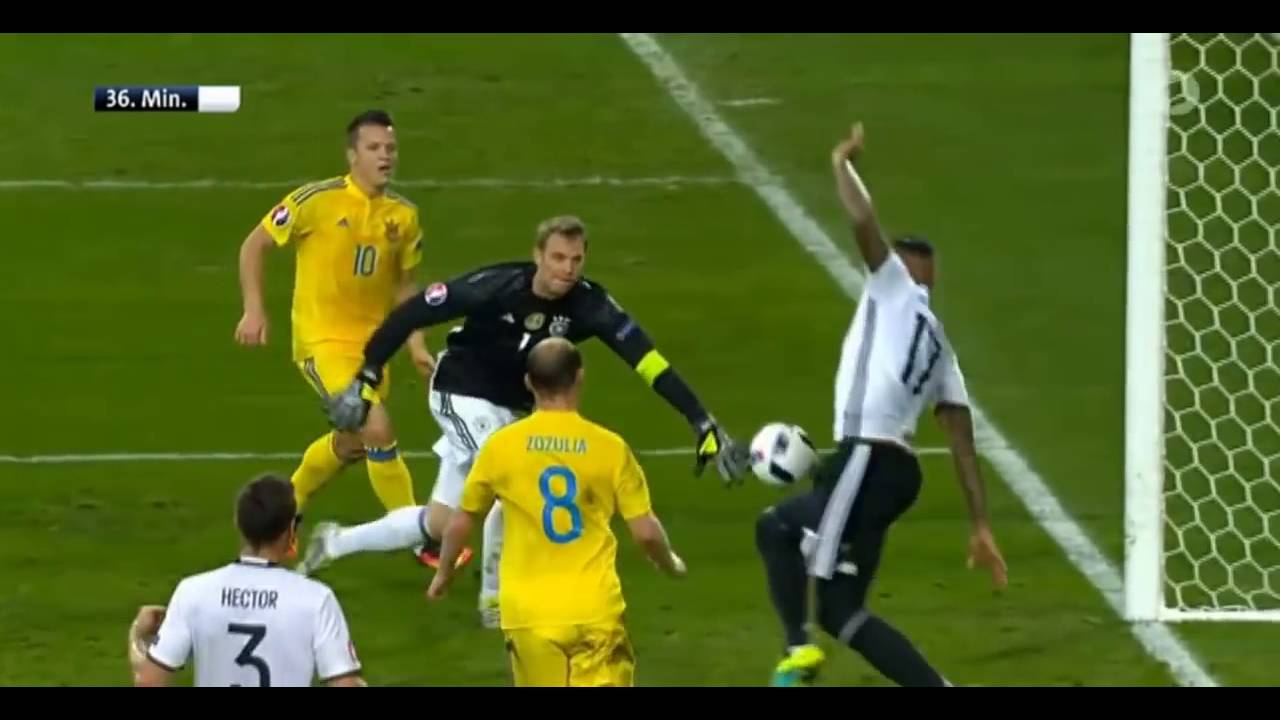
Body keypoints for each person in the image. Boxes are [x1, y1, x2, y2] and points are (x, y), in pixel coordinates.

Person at [321, 215, 745, 627]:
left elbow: (647, 361)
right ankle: (494, 599)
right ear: (538, 255)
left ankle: (335, 542)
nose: (568, 269)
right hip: (460, 391)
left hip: (508, 409)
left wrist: (701, 420)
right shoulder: (497, 285)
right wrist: (367, 375)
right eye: (559, 257)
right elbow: (410, 313)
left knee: (441, 522)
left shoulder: (590, 304)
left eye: (577, 260)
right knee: (515, 482)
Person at [753, 122, 1008, 687]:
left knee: (778, 529)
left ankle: (796, 649)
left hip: (868, 457)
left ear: (901, 265)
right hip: (896, 472)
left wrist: (842, 162)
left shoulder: (891, 287)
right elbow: (962, 442)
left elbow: (863, 221)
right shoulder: (940, 342)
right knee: (843, 611)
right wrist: (981, 525)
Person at [427, 337, 686, 686]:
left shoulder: (500, 447)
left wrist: (443, 574)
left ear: (529, 383)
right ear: (579, 377)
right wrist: (668, 561)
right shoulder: (610, 447)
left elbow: (462, 521)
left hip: (527, 613)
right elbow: (645, 532)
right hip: (593, 608)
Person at [234, 109, 434, 552]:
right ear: (352, 155)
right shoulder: (315, 201)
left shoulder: (404, 217)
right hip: (320, 341)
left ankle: (292, 506)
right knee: (376, 427)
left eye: (391, 148)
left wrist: (417, 345)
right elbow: (255, 245)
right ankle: (422, 539)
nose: (385, 156)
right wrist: (254, 310)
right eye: (374, 148)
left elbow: (405, 287)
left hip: (373, 351)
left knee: (352, 443)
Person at [127, 474, 365, 687]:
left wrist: (138, 635)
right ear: (290, 530)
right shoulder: (317, 600)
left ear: (238, 523)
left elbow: (148, 682)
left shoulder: (193, 593)